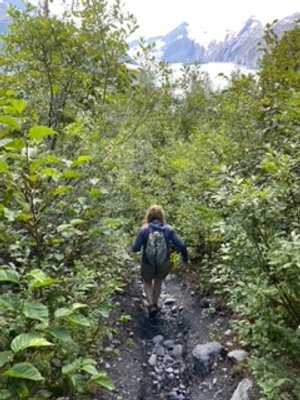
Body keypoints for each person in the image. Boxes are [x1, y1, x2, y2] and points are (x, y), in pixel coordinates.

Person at [132, 204, 188, 317]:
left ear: (148, 216)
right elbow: (181, 245)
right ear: (162, 216)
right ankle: (156, 303)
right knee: (158, 281)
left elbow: (136, 248)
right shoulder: (169, 230)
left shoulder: (144, 230)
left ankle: (151, 305)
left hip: (147, 262)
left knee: (147, 281)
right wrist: (185, 259)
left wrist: (134, 248)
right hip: (164, 262)